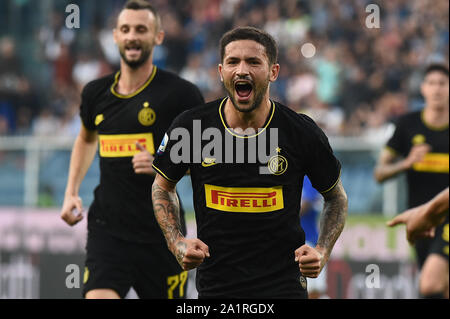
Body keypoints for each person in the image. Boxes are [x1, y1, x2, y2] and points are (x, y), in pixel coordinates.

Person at [151, 27, 348, 298]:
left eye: (253, 62)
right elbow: (162, 187)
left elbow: (336, 198)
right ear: (221, 72)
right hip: (217, 288)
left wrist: (323, 251)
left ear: (273, 72)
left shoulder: (301, 132)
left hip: (283, 288)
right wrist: (176, 242)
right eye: (233, 62)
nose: (242, 70)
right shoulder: (191, 127)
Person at [60, 0, 204, 299]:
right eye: (125, 29)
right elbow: (87, 139)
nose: (132, 36)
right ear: (115, 36)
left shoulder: (181, 94)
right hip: (108, 229)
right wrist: (71, 191)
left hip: (163, 233)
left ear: (158, 37)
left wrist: (163, 164)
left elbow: (209, 158)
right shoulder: (95, 93)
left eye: (141, 29)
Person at [374, 64, 449, 299]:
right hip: (420, 220)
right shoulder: (407, 125)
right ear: (423, 89)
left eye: (443, 83)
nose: (437, 89)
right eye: (432, 83)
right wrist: (406, 163)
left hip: (447, 216)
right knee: (441, 286)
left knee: (429, 284)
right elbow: (380, 172)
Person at [300, 176, 329, 299]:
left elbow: (305, 205)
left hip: (308, 242)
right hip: (291, 242)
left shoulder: (308, 178)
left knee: (313, 291)